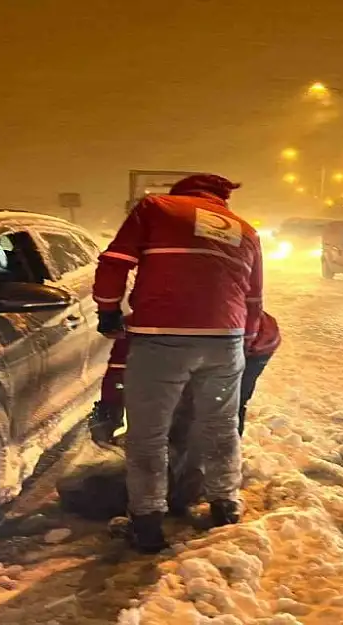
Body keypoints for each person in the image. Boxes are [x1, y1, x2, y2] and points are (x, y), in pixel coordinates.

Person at [93, 173, 263, 553]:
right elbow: (254, 299)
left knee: (148, 434)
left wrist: (107, 311)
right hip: (226, 341)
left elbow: (115, 261)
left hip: (162, 337)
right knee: (220, 427)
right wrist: (244, 341)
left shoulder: (157, 208)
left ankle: (147, 523)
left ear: (182, 192)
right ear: (222, 199)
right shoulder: (246, 230)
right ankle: (225, 506)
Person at [89, 311, 281, 513]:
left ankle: (208, 491)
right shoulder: (138, 329)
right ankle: (182, 479)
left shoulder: (184, 336)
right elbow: (118, 371)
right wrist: (110, 407)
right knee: (184, 413)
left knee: (218, 413)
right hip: (219, 337)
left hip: (253, 344)